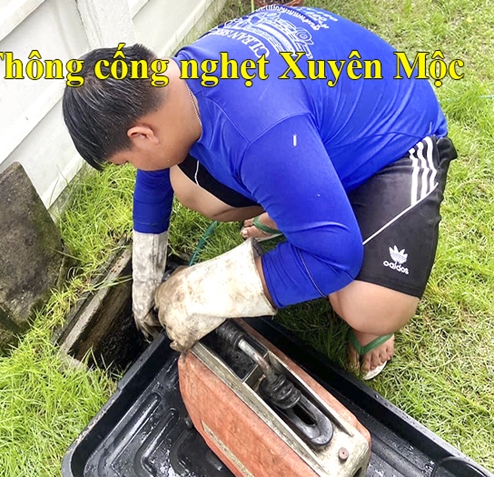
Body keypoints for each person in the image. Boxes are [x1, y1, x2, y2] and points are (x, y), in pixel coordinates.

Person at [62, 5, 457, 379]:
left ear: (142, 135)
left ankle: (366, 296)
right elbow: (155, 174)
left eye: (126, 161)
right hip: (317, 131)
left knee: (363, 305)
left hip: (395, 144)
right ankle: (302, 203)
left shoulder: (261, 131)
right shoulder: (176, 82)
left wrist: (205, 293)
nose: (135, 169)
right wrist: (145, 276)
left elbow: (337, 258)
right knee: (188, 186)